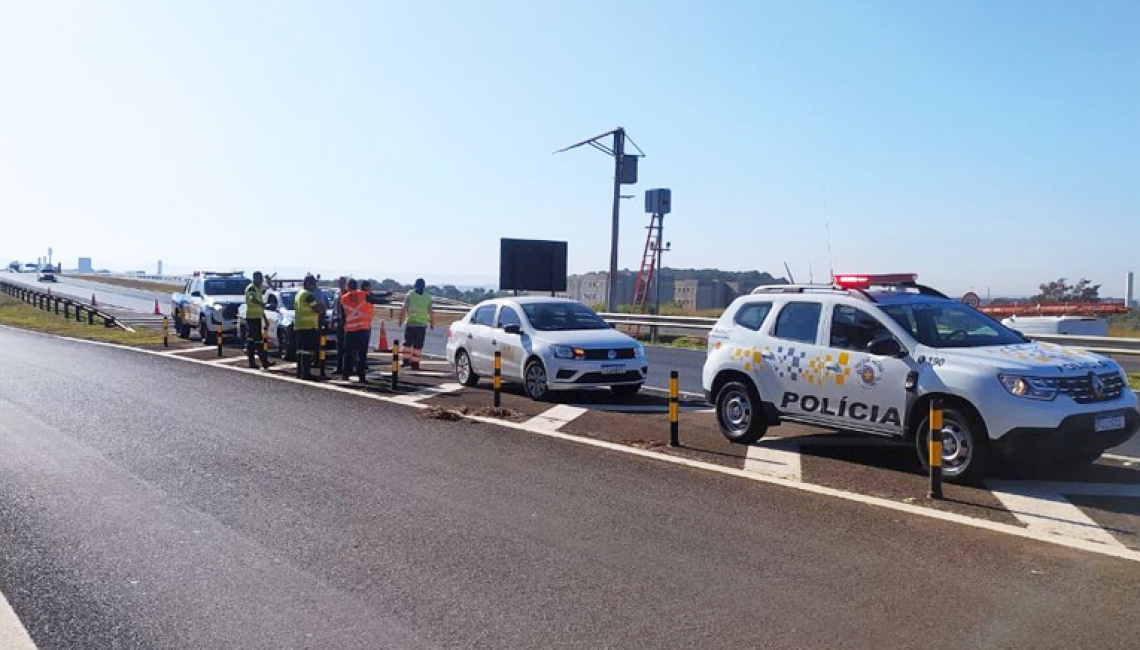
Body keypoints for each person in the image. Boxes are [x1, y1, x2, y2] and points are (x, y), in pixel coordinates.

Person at [338, 279, 374, 382]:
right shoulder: (363, 295)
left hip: (350, 330)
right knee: (362, 355)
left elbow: (343, 315)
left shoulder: (343, 298)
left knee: (348, 354)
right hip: (363, 329)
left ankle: (346, 374)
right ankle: (361, 376)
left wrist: (344, 326)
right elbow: (376, 299)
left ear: (348, 286)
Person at [294, 275, 326, 380]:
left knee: (300, 351)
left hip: (299, 325)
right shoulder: (309, 295)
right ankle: (306, 373)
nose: (315, 286)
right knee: (307, 351)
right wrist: (321, 307)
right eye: (313, 283)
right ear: (308, 283)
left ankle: (300, 372)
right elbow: (317, 309)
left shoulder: (299, 293)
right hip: (308, 326)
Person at [399, 278, 434, 370]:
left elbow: (404, 308)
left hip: (411, 323)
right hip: (421, 325)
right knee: (418, 345)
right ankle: (415, 364)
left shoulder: (410, 295)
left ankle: (406, 361)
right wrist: (432, 322)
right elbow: (431, 311)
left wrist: (400, 319)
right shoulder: (427, 296)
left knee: (408, 343)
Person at [243, 271, 273, 370]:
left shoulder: (258, 289)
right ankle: (261, 362)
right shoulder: (251, 288)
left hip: (257, 317)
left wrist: (265, 318)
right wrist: (261, 303)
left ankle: (260, 362)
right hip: (251, 318)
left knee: (254, 341)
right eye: (259, 278)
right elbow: (252, 299)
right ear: (255, 278)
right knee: (255, 341)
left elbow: (260, 307)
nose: (261, 280)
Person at [333, 276, 348, 376]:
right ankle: (339, 367)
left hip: (346, 322)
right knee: (339, 346)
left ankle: (346, 367)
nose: (341, 284)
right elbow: (335, 309)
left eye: (343, 282)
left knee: (347, 346)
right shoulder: (337, 293)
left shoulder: (347, 294)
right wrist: (332, 320)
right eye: (339, 282)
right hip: (338, 321)